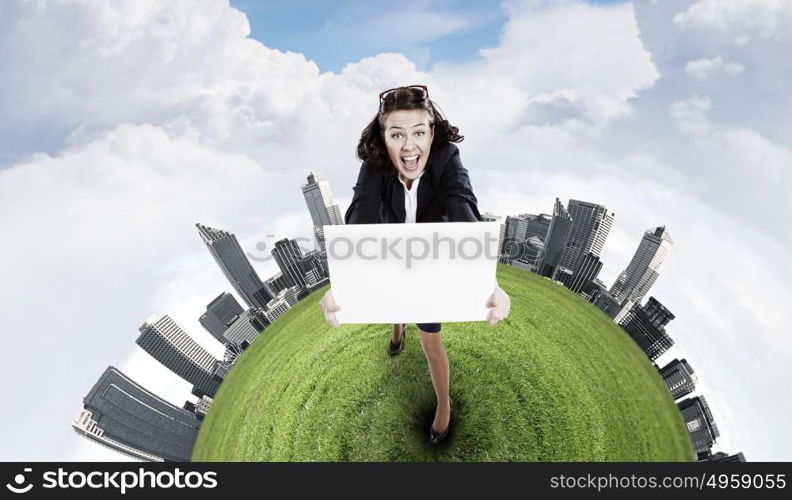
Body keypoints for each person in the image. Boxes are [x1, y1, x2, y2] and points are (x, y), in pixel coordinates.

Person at [319, 85, 510, 445]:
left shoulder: (447, 157)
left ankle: (443, 406)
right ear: (383, 137)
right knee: (394, 302)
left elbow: (462, 203)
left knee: (430, 341)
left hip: (429, 260)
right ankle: (396, 331)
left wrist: (487, 280)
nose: (409, 148)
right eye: (397, 135)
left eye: (419, 133)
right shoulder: (374, 166)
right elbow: (361, 211)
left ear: (432, 132)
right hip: (389, 251)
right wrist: (343, 283)